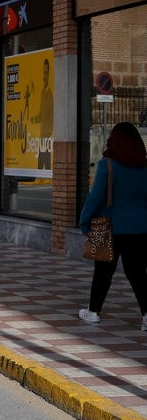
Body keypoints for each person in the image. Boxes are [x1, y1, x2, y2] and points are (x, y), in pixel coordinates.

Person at [77, 122, 147, 331]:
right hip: (141, 228)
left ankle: (93, 311)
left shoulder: (107, 165)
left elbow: (96, 197)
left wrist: (84, 221)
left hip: (110, 227)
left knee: (103, 271)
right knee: (138, 273)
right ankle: (146, 315)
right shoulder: (145, 166)